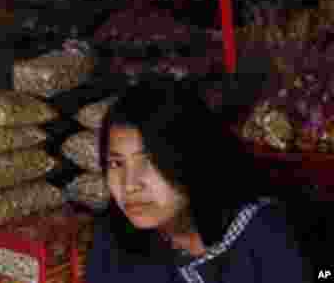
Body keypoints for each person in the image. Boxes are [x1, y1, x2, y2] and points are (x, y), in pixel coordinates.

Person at [85, 78, 311, 283]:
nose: (130, 185)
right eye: (116, 164)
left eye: (150, 161)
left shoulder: (266, 236)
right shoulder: (112, 242)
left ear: (193, 158)